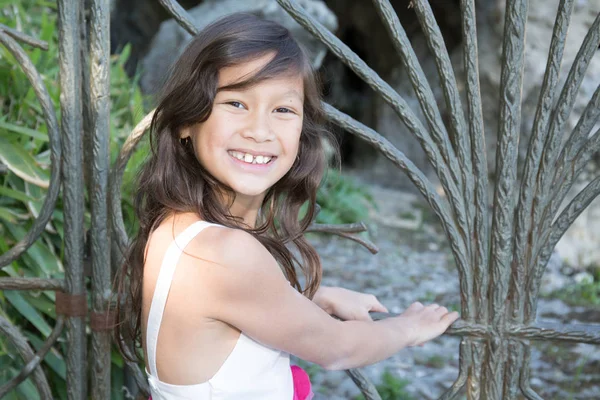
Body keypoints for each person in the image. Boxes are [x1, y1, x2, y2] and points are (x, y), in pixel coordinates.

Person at [115, 12, 460, 400]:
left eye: (282, 110)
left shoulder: (176, 228)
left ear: (301, 129)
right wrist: (407, 328)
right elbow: (337, 348)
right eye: (236, 103)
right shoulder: (225, 253)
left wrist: (314, 296)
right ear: (186, 122)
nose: (259, 131)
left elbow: (227, 303)